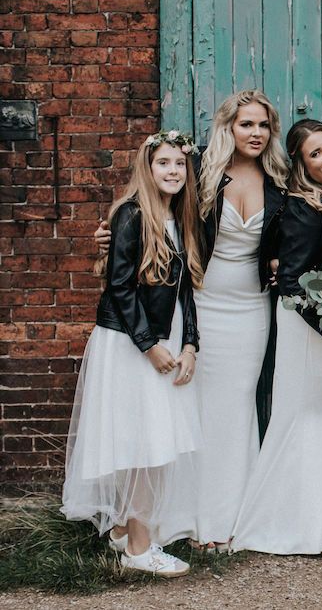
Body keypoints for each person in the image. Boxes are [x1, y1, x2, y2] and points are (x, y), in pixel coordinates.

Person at [95, 90, 289, 551]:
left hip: (252, 306)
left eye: (263, 125)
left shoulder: (279, 180)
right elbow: (149, 204)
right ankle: (177, 515)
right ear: (228, 127)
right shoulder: (199, 168)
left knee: (237, 406)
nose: (256, 133)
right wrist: (110, 235)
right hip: (202, 299)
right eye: (246, 124)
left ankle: (226, 516)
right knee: (193, 406)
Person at [230, 119, 322, 557]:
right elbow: (291, 281)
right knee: (314, 420)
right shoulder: (302, 206)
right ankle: (313, 527)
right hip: (315, 328)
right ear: (301, 166)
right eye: (315, 153)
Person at [62, 131, 203, 577]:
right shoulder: (131, 214)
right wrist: (149, 346)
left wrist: (190, 343)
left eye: (180, 165)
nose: (173, 172)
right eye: (164, 163)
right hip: (131, 341)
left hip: (166, 335)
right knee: (146, 445)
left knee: (154, 438)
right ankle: (141, 549)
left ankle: (126, 528)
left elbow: (184, 292)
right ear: (147, 167)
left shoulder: (176, 218)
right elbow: (120, 288)